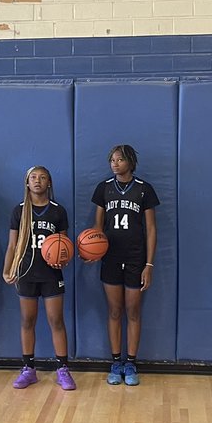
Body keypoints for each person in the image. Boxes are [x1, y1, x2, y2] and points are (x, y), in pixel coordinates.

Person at [90, 144, 159, 387]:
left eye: (119, 160)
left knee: (133, 311)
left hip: (135, 258)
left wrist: (148, 264)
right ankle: (115, 362)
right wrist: (91, 249)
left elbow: (151, 229)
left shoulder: (143, 189)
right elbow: (97, 228)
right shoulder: (104, 188)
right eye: (112, 160)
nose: (115, 164)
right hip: (110, 257)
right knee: (114, 310)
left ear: (130, 162)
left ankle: (131, 362)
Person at [2, 166, 74, 391]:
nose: (37, 181)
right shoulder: (19, 210)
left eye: (42, 177)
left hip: (51, 274)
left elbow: (64, 246)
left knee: (56, 320)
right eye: (33, 177)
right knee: (27, 320)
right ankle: (28, 369)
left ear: (49, 182)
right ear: (27, 183)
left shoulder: (58, 211)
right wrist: (7, 269)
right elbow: (12, 245)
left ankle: (62, 369)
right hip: (26, 272)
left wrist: (62, 260)